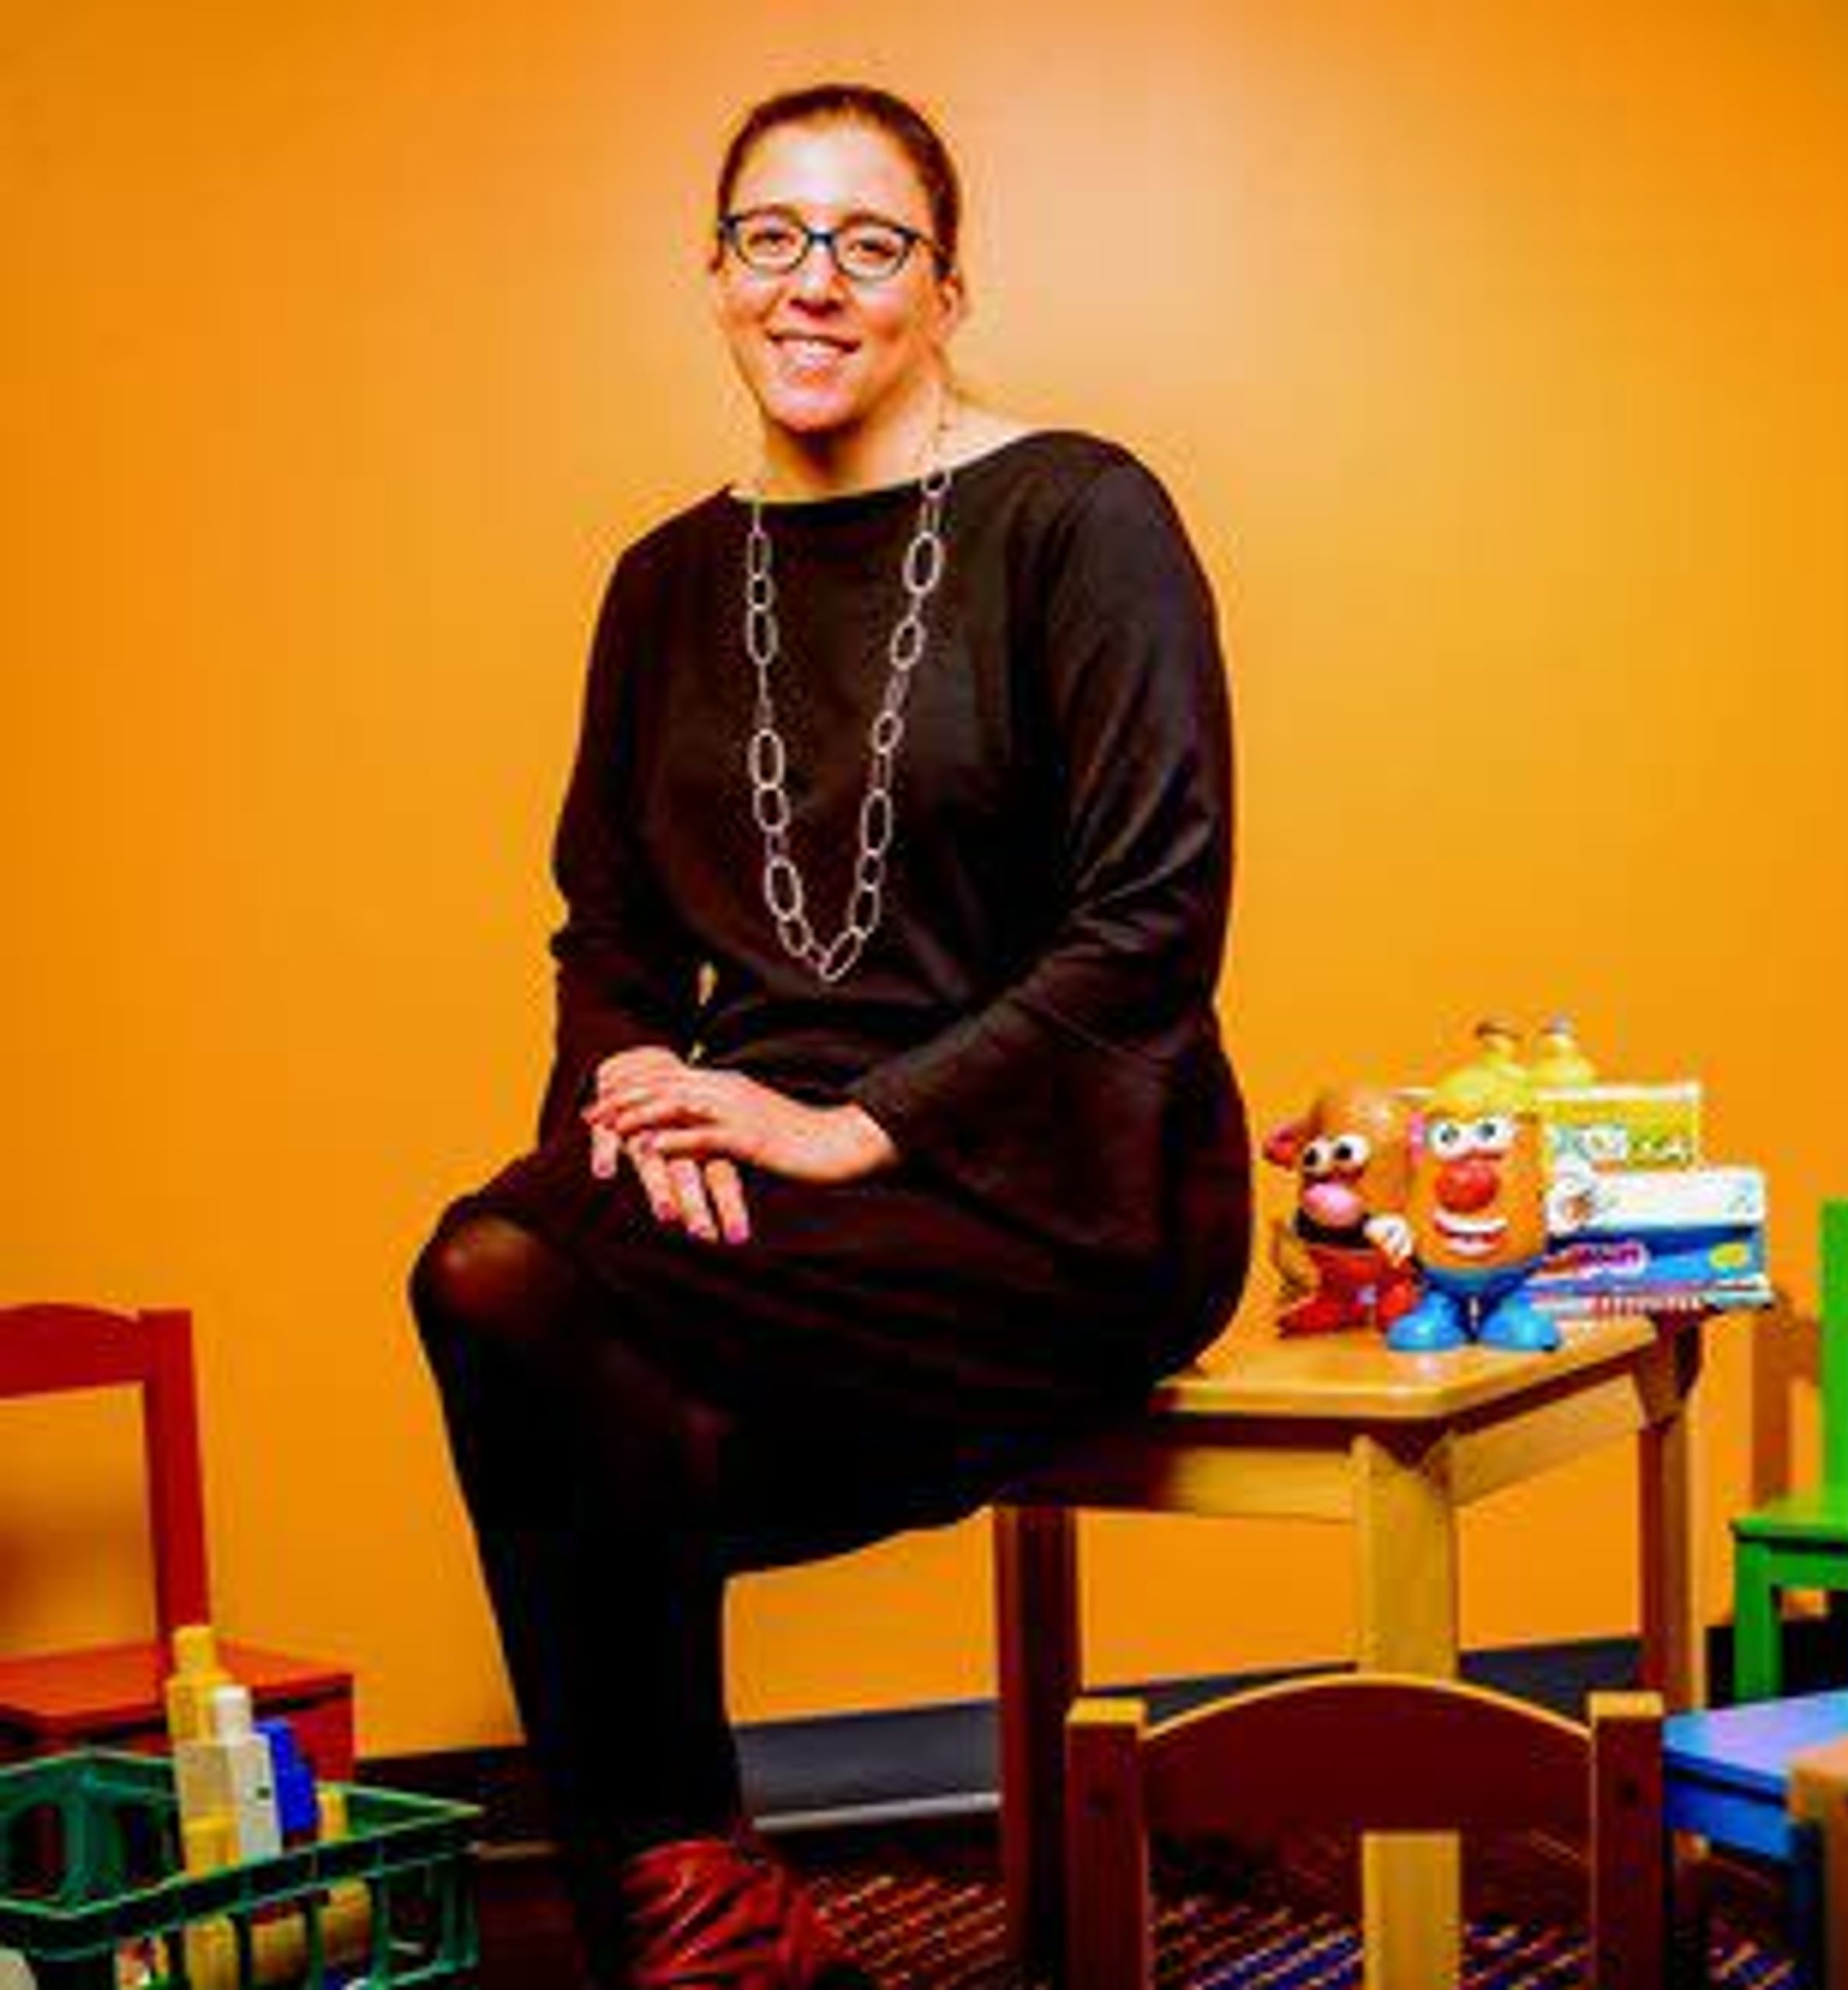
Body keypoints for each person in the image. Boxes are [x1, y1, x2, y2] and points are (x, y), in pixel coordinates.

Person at [408, 82, 1249, 1989]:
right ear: (712, 276)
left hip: (1063, 1182)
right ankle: (710, 1915)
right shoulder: (664, 583)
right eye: (771, 238)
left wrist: (853, 1130)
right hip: (766, 1204)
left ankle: (692, 1916)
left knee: (601, 1418)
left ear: (947, 291)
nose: (815, 284)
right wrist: (637, 1123)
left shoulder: (1079, 517)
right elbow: (607, 933)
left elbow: (1154, 923)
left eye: (870, 245)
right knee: (500, 1282)